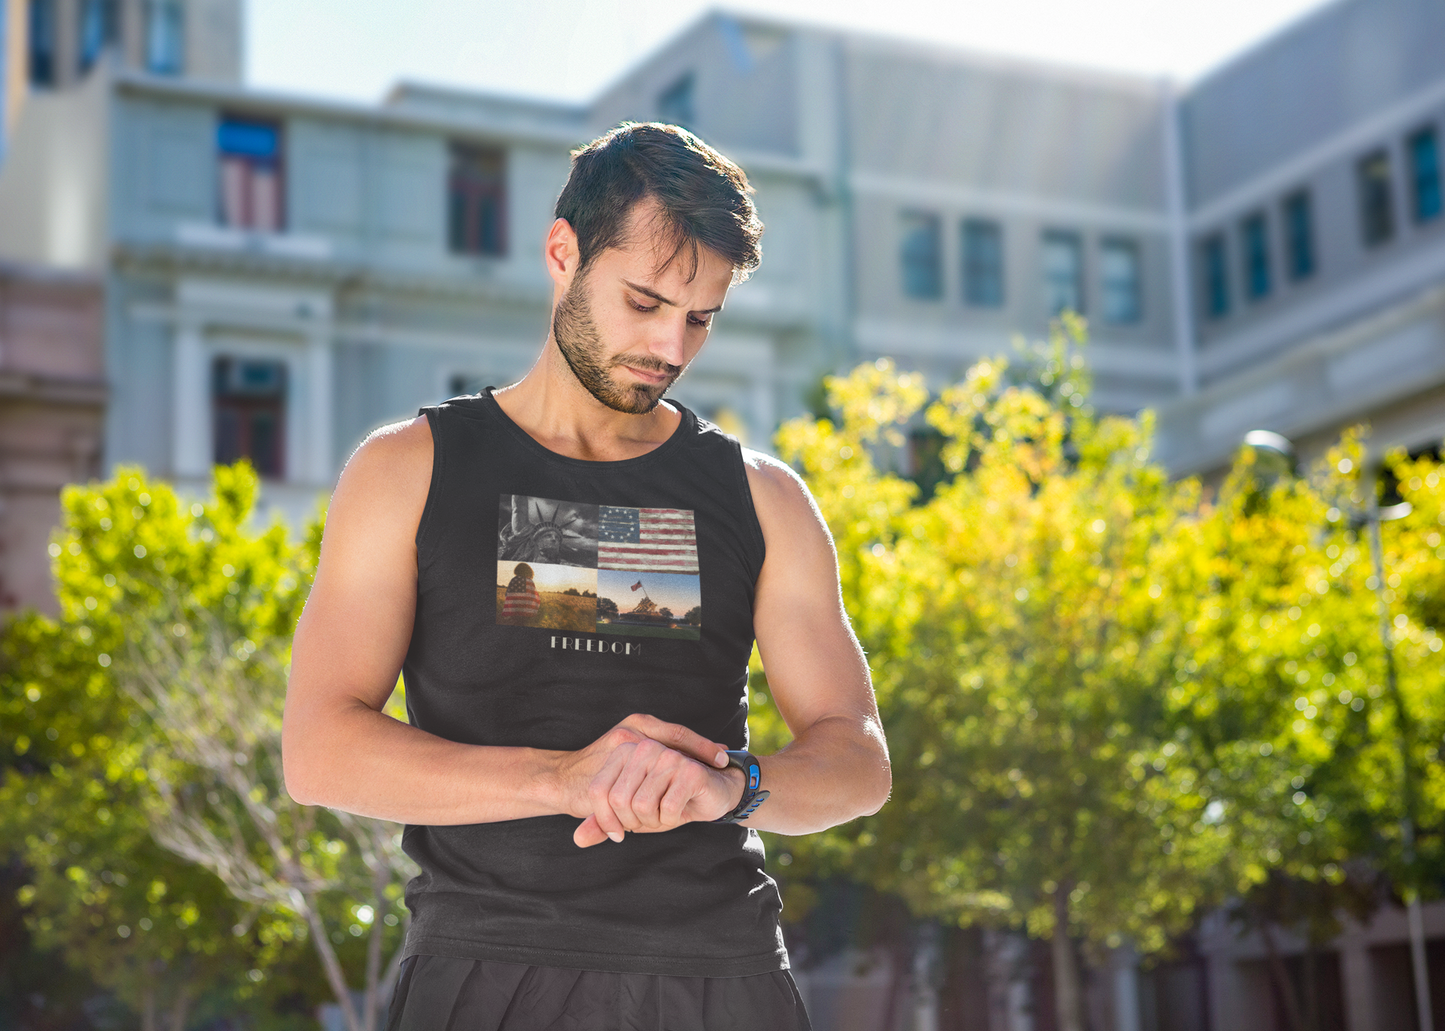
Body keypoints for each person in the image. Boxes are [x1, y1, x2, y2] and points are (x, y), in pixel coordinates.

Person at [282, 122, 891, 1030]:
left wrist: (736, 785)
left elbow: (857, 759)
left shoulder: (763, 497)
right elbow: (319, 751)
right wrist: (564, 780)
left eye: (699, 317)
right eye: (643, 301)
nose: (670, 345)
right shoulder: (407, 469)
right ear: (562, 253)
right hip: (484, 976)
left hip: (720, 978)